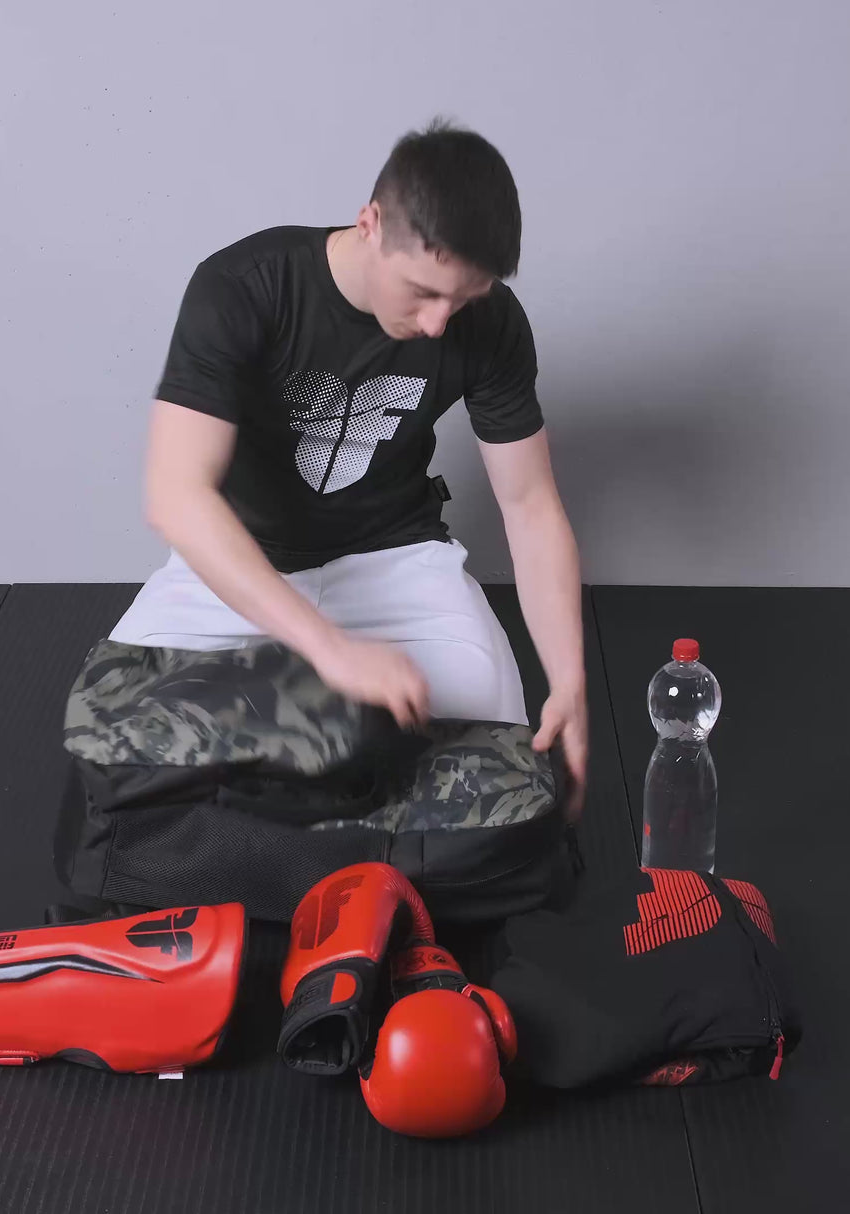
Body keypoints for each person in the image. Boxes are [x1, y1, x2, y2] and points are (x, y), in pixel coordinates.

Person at [108, 118, 588, 818]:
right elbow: (177, 495)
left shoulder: (492, 323)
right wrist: (329, 649)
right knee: (116, 744)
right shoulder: (243, 287)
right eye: (422, 291)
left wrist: (570, 681)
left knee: (499, 765)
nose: (438, 323)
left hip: (397, 560)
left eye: (463, 299)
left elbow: (530, 505)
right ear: (370, 224)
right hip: (240, 565)